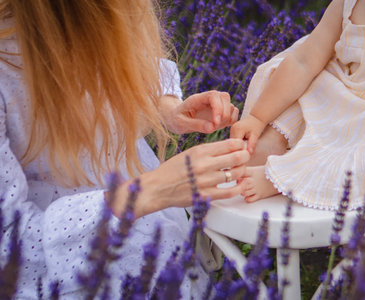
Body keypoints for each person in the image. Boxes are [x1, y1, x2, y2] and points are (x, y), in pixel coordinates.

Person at [0, 0, 249, 298]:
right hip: (68, 274)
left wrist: (166, 108)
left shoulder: (105, 13)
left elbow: (130, 62)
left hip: (150, 240)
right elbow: (9, 243)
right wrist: (148, 192)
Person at [231, 0, 365, 208]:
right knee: (301, 75)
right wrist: (258, 117)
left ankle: (284, 178)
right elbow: (303, 61)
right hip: (344, 110)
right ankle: (272, 141)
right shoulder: (348, 5)